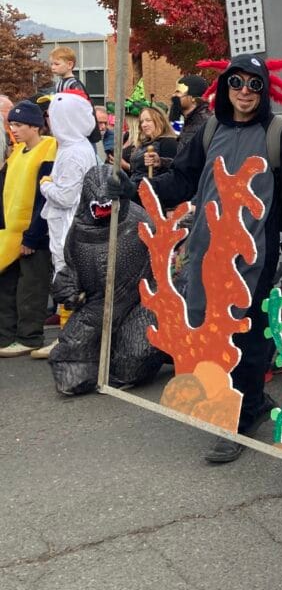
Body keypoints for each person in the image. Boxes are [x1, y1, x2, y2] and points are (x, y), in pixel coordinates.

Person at [119, 53, 282, 463]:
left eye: (254, 85)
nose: (245, 92)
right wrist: (136, 186)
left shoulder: (281, 135)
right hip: (207, 251)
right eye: (237, 83)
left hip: (256, 254)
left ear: (265, 90)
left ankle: (239, 420)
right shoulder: (210, 130)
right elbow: (184, 180)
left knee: (245, 332)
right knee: (214, 329)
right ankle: (251, 401)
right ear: (225, 87)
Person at [49, 165, 164, 395]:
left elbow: (161, 265)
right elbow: (72, 270)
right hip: (99, 303)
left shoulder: (139, 220)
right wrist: (67, 287)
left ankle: (124, 363)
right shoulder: (79, 231)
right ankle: (92, 367)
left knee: (132, 357)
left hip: (141, 300)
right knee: (71, 359)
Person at [37, 91, 99, 360]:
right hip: (66, 227)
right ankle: (68, 337)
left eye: (53, 114)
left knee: (70, 283)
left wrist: (46, 185)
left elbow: (66, 195)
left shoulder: (74, 153)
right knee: (68, 282)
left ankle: (70, 340)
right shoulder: (71, 147)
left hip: (70, 228)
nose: (48, 119)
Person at [0, 101, 56, 357]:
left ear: (35, 126)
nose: (14, 129)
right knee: (7, 287)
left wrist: (33, 235)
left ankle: (29, 336)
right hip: (10, 233)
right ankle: (6, 335)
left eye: (19, 125)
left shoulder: (49, 149)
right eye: (12, 124)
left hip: (34, 233)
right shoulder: (16, 152)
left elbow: (44, 197)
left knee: (30, 289)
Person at [126, 105, 178, 183]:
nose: (143, 125)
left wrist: (161, 162)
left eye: (148, 120)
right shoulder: (144, 143)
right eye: (142, 121)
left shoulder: (169, 142)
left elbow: (172, 172)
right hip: (134, 187)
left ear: (160, 121)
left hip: (152, 190)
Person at [168, 75, 211, 156]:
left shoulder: (202, 122)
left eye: (178, 92)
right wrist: (160, 162)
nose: (173, 95)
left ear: (192, 98)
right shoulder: (190, 121)